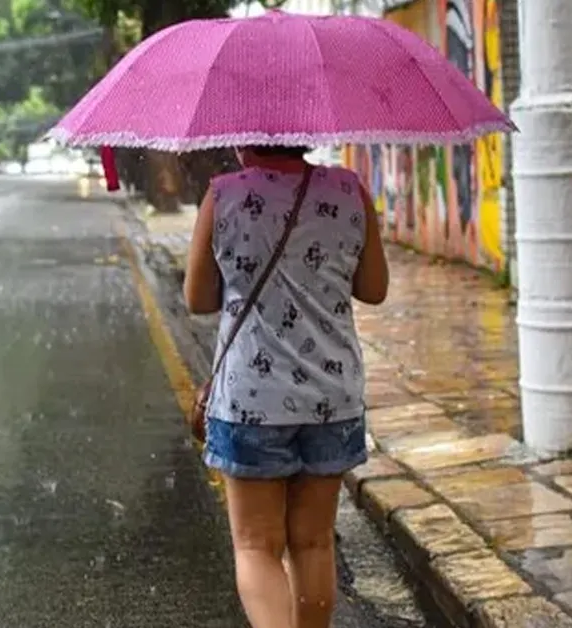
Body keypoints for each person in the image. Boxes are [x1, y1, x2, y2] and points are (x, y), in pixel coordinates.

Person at [183, 145, 389, 628]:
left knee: (257, 546)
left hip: (251, 400)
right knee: (314, 542)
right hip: (331, 397)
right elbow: (374, 289)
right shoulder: (349, 190)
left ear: (244, 137)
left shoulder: (224, 195)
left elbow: (197, 298)